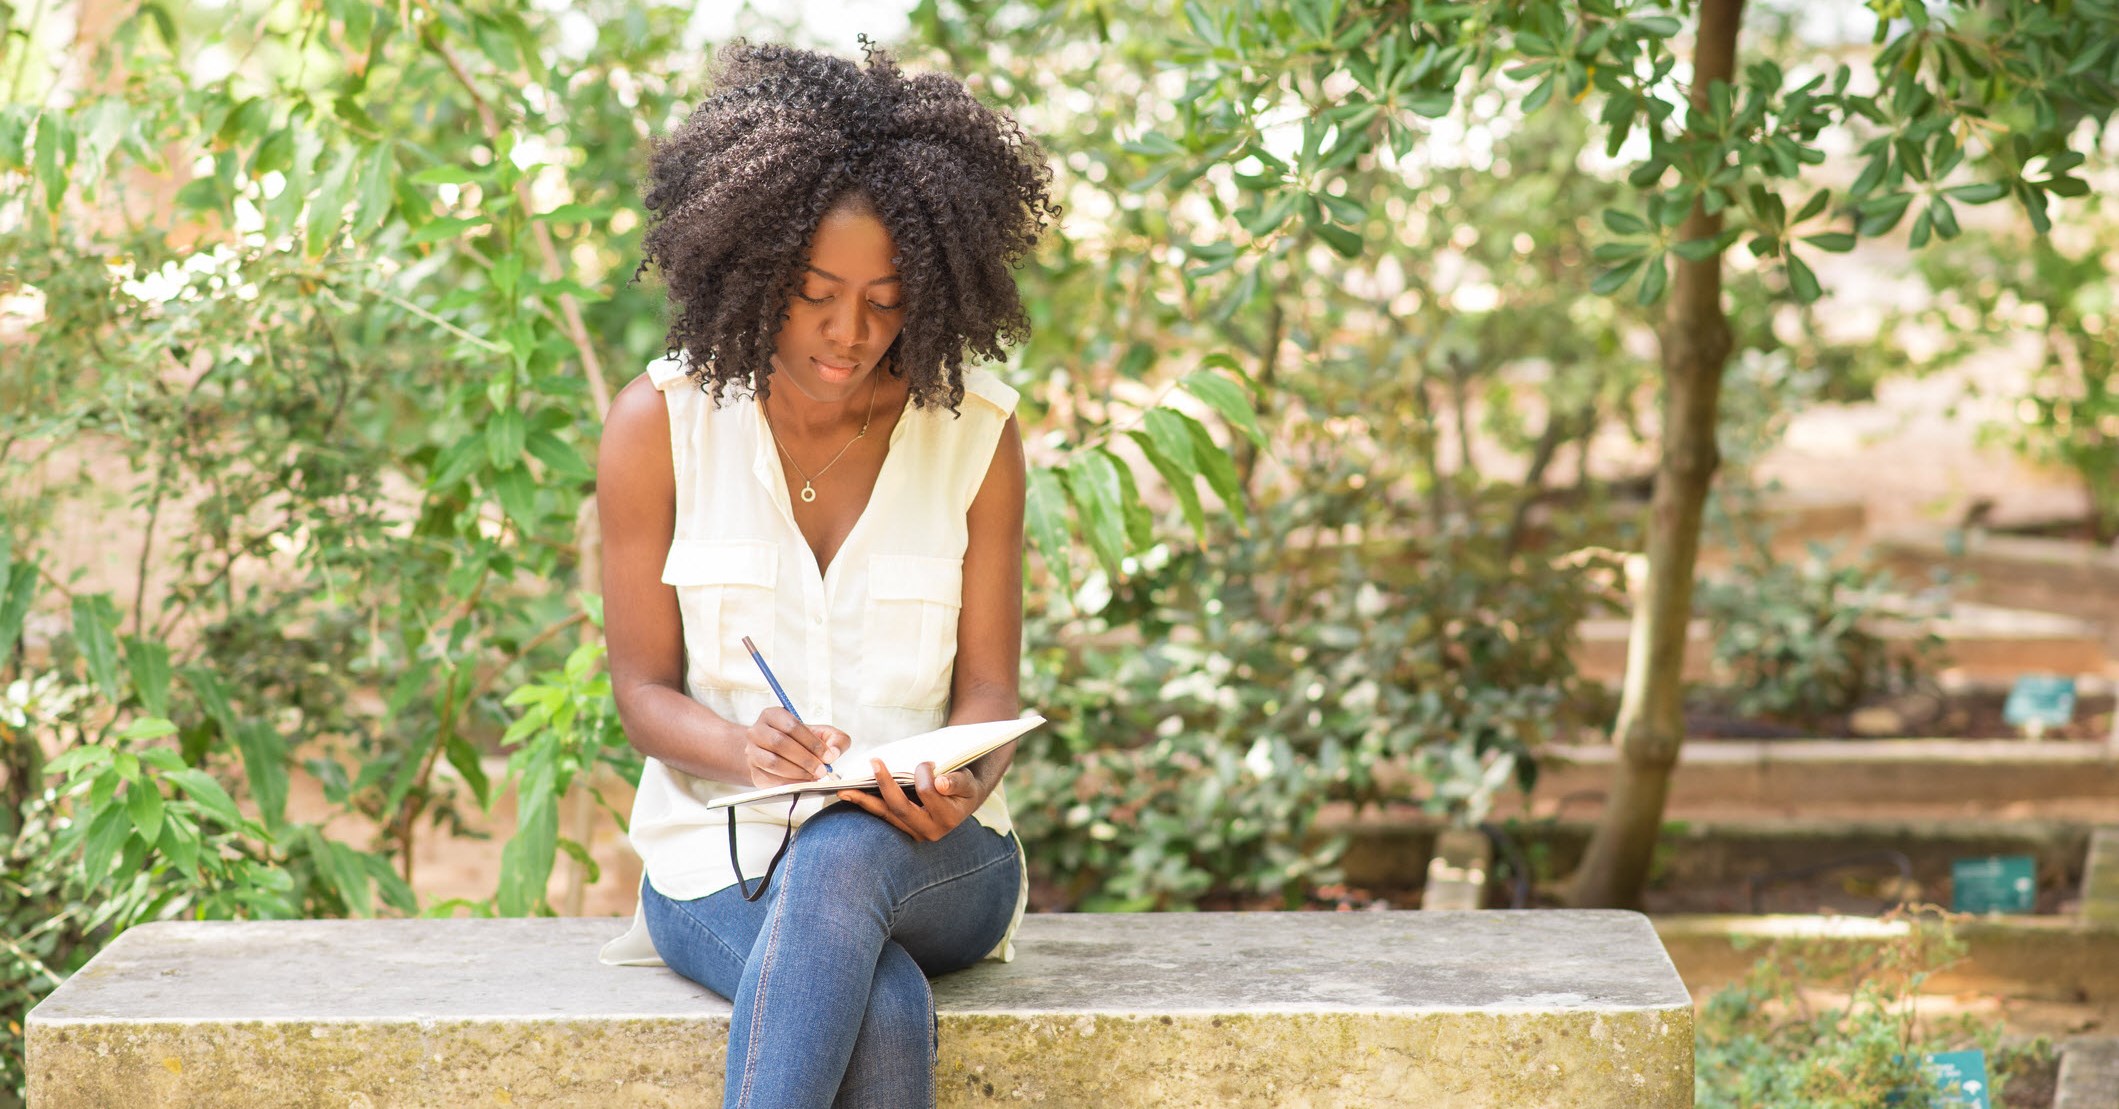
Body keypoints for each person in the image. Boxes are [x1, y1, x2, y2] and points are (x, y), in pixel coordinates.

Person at [593, 38, 1058, 1109]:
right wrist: (740, 746)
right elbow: (641, 691)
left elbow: (989, 691)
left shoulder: (974, 434)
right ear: (752, 265)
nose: (849, 334)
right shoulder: (657, 428)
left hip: (936, 861)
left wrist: (962, 785)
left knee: (847, 846)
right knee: (883, 1004)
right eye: (814, 293)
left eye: (888, 301)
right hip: (721, 858)